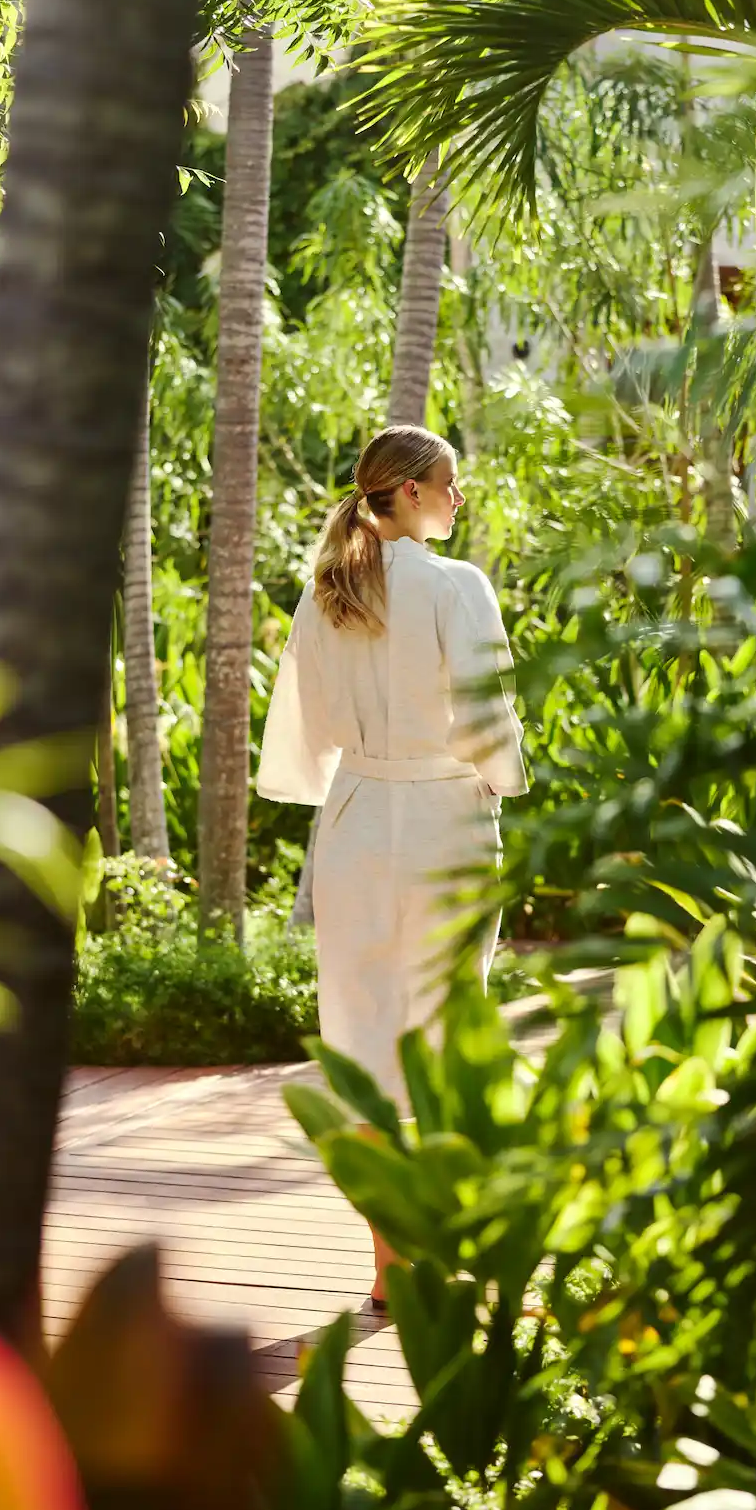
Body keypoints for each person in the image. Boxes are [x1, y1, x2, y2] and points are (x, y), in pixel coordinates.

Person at [255, 424, 528, 1308]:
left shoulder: (328, 592)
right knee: (456, 1040)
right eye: (451, 483)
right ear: (408, 492)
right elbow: (490, 724)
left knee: (364, 1047)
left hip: (359, 822)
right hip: (445, 816)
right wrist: (499, 786)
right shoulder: (459, 587)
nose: (460, 498)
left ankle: (390, 1266)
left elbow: (307, 735)